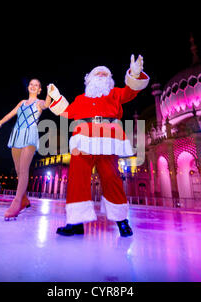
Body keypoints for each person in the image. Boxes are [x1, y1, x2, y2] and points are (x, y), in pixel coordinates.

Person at [47, 55, 149, 236]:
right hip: (83, 140)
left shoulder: (115, 93)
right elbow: (67, 112)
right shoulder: (80, 99)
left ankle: (122, 221)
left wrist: (135, 73)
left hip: (108, 140)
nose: (102, 76)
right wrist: (56, 96)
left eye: (105, 74)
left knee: (112, 178)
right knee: (77, 179)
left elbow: (130, 91)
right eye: (98, 73)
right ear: (90, 79)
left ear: (109, 79)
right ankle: (75, 223)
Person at [0, 79, 51, 220]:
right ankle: (24, 199)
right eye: (31, 84)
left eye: (36, 85)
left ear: (39, 90)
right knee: (19, 170)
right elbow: (11, 114)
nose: (33, 86)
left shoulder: (40, 102)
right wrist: (0, 122)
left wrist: (50, 93)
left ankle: (17, 202)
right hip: (17, 135)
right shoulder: (21, 102)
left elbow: (48, 105)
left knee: (24, 169)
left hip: (30, 135)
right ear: (28, 88)